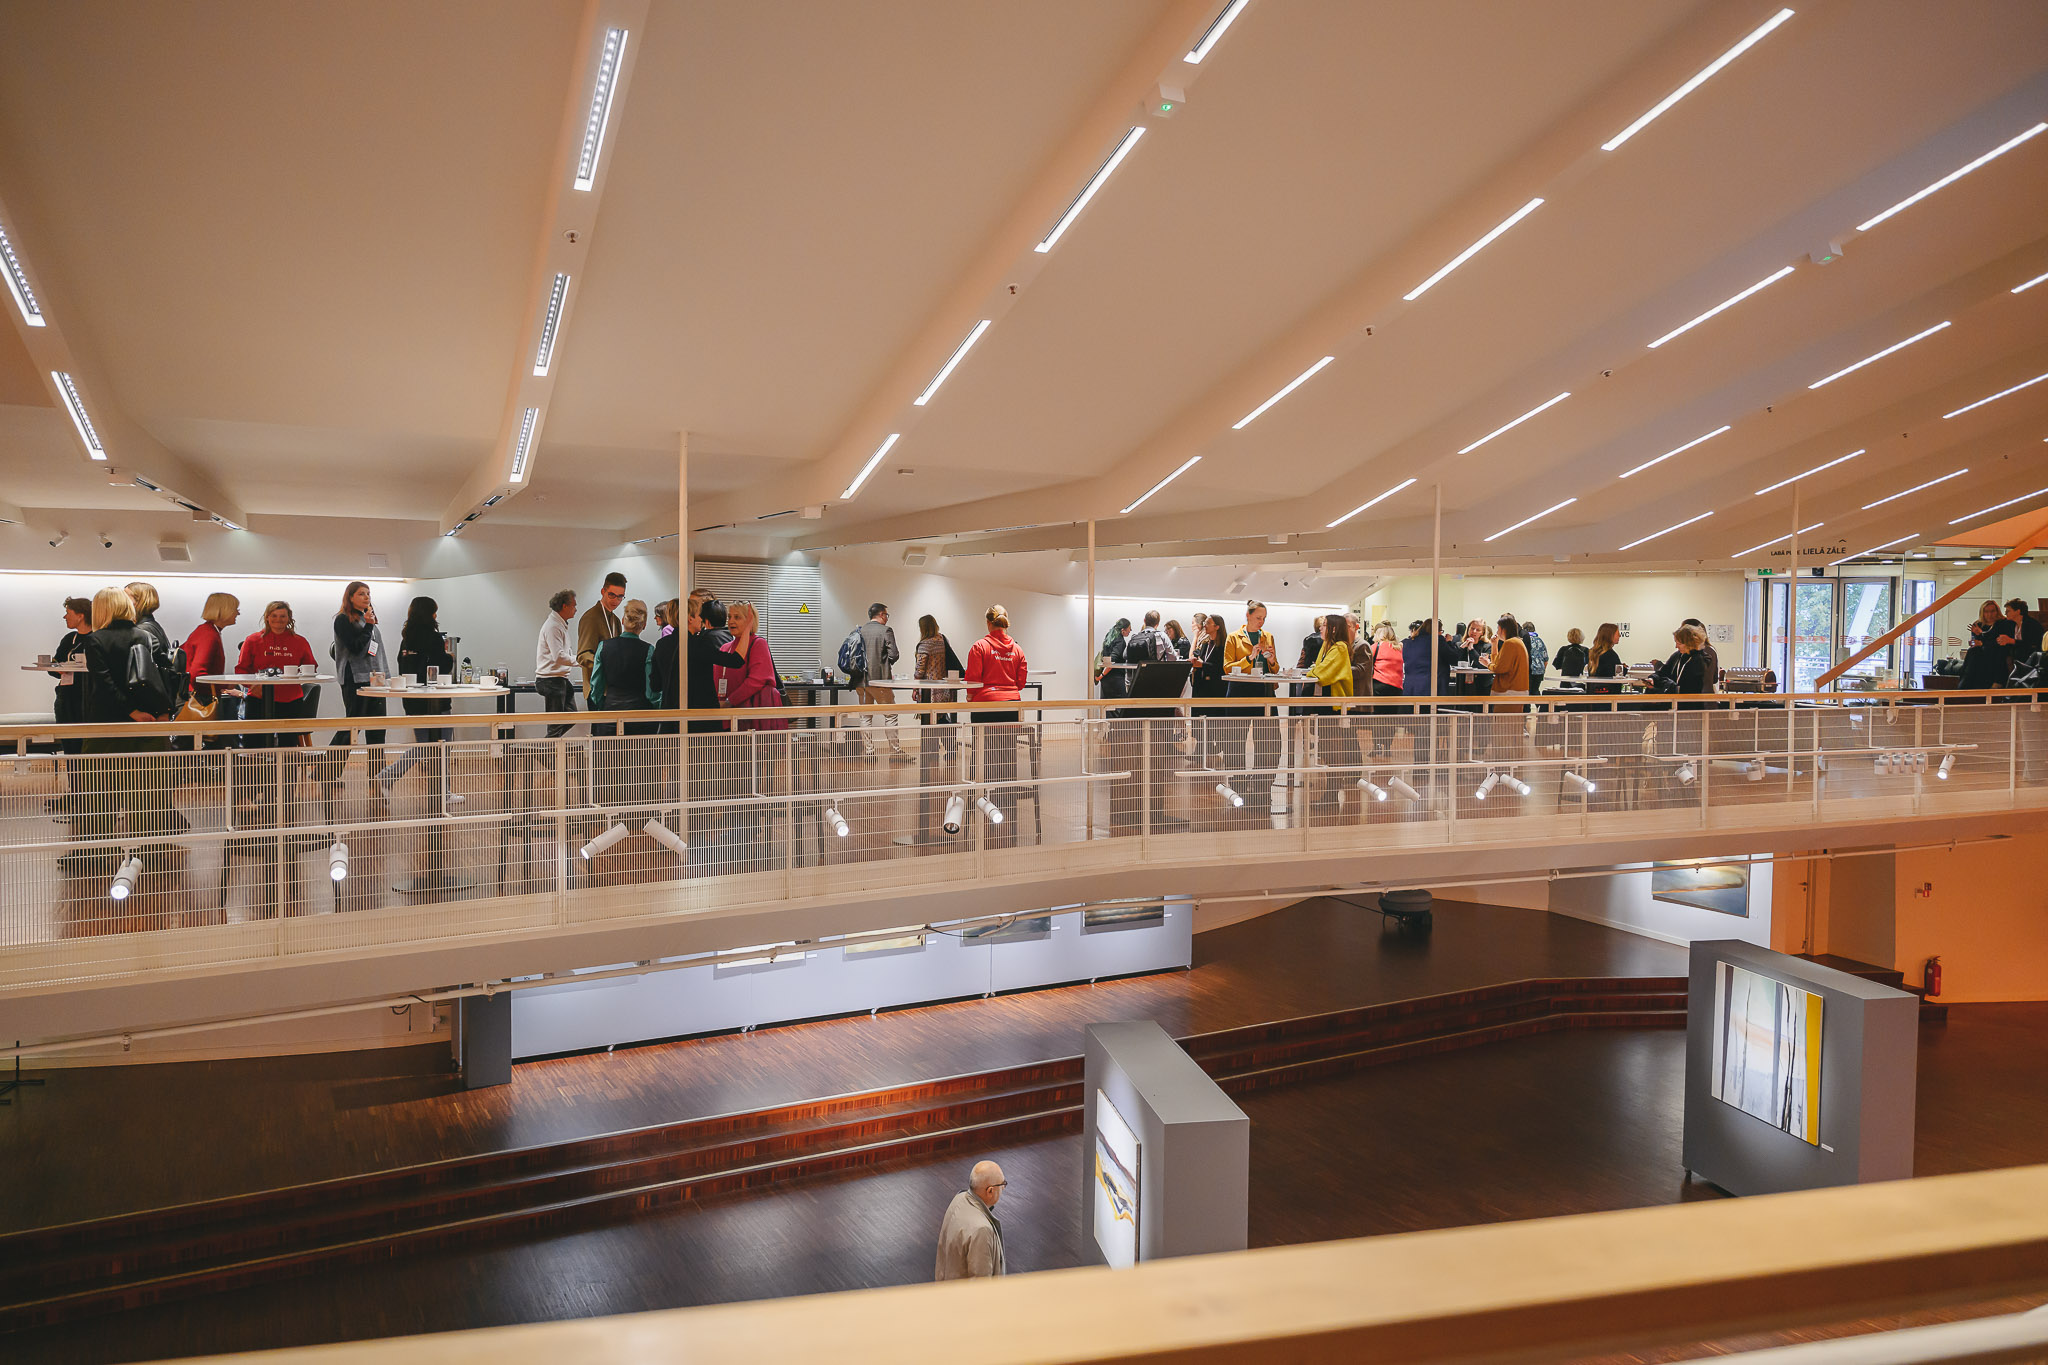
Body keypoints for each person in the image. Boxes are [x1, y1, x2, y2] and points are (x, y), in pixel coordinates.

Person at [78, 585, 178, 839]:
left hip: (106, 725)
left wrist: (130, 710)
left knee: (99, 794)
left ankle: (97, 849)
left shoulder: (95, 640)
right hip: (146, 722)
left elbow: (105, 683)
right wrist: (157, 711)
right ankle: (150, 849)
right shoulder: (143, 636)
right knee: (146, 794)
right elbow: (156, 676)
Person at [376, 597, 457, 804]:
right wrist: (449, 658)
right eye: (434, 611)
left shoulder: (406, 639)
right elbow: (441, 666)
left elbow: (403, 666)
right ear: (429, 613)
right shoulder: (434, 638)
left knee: (425, 745)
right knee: (442, 745)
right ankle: (442, 792)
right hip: (436, 701)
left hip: (412, 700)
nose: (436, 615)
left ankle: (441, 791)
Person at [965, 605, 1028, 843]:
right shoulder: (1017, 649)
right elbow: (1021, 682)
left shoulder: (979, 647)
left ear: (988, 623)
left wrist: (971, 698)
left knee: (983, 754)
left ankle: (982, 797)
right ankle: (1006, 797)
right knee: (1006, 754)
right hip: (1011, 707)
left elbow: (973, 680)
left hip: (985, 707)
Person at [590, 599, 659, 808]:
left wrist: (602, 705)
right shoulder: (648, 650)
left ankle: (608, 809)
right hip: (640, 716)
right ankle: (639, 810)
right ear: (643, 625)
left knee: (608, 767)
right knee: (641, 767)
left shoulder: (604, 647)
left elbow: (596, 685)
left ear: (622, 620)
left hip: (610, 712)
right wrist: (657, 708)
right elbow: (651, 691)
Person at [1222, 601, 1282, 805]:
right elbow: (1227, 667)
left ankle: (1262, 790)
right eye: (1258, 618)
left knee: (1269, 742)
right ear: (1247, 616)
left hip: (1264, 692)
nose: (1261, 622)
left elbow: (1275, 669)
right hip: (1239, 693)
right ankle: (1237, 788)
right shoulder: (1233, 637)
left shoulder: (1268, 636)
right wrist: (1249, 658)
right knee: (1234, 742)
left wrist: (1271, 660)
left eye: (1264, 618)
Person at [234, 600, 317, 747]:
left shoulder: (299, 641)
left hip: (290, 700)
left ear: (289, 618)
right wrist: (252, 685)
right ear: (267, 617)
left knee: (288, 747)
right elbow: (241, 669)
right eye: (274, 616)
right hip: (259, 698)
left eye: (282, 616)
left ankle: (286, 764)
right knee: (254, 745)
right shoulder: (252, 640)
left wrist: (298, 674)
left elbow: (311, 666)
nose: (278, 620)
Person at [329, 581, 389, 774]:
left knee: (377, 728)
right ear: (350, 597)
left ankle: (378, 775)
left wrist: (385, 676)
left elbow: (376, 651)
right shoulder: (343, 619)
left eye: (368, 593)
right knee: (352, 727)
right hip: (356, 679)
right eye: (361, 593)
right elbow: (355, 647)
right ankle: (326, 772)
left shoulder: (368, 618)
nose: (366, 597)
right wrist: (369, 627)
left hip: (376, 679)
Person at [1305, 613, 1356, 810]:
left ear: (1334, 628)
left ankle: (1333, 793)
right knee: (1327, 749)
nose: (1321, 628)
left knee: (1333, 750)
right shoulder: (1328, 646)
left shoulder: (1340, 647)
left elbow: (1322, 673)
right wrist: (1313, 671)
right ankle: (1330, 793)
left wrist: (1312, 672)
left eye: (1325, 625)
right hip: (1324, 703)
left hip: (1333, 705)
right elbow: (1318, 668)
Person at [855, 602, 911, 761]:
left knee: (865, 717)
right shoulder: (886, 630)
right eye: (886, 614)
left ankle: (869, 752)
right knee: (890, 714)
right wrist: (885, 663)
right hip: (880, 681)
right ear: (881, 614)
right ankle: (895, 752)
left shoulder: (859, 631)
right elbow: (894, 654)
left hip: (861, 681)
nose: (887, 618)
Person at [934, 1160, 1007, 1280]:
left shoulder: (959, 1199)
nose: (1003, 1188)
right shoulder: (982, 1230)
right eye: (1002, 1184)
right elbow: (981, 1283)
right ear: (990, 1191)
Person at [579, 572, 626, 737]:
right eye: (612, 595)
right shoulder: (591, 617)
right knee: (601, 735)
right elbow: (583, 655)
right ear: (603, 591)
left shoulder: (615, 619)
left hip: (612, 688)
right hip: (597, 688)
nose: (616, 600)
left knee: (610, 736)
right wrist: (606, 665)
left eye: (620, 597)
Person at [51, 596, 92, 757]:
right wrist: (59, 669)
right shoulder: (69, 639)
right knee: (69, 747)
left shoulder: (98, 639)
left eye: (68, 613)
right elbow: (54, 665)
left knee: (87, 747)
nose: (65, 617)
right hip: (66, 699)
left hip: (88, 700)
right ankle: (73, 775)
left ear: (80, 615)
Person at [914, 613, 961, 756]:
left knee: (933, 719)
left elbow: (920, 669)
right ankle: (947, 748)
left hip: (929, 690)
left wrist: (915, 688)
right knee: (940, 716)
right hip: (944, 686)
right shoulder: (942, 639)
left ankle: (937, 750)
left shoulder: (925, 644)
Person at [536, 588, 579, 738]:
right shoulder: (553, 626)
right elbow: (559, 656)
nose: (576, 609)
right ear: (564, 606)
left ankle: (546, 747)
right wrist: (580, 660)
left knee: (571, 717)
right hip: (551, 680)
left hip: (558, 679)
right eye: (574, 605)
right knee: (556, 725)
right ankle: (547, 748)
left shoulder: (559, 624)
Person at [1961, 599, 2016, 690]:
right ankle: (1966, 683)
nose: (1989, 614)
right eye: (1986, 612)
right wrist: (1978, 637)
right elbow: (1975, 643)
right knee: (1972, 651)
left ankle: (1996, 681)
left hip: (1997, 651)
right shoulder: (1978, 624)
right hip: (1982, 651)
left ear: (1997, 611)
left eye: (1992, 611)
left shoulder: (2004, 623)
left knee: (1996, 650)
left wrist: (1982, 640)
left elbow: (1999, 642)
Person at [1489, 614, 1530, 696]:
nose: (1497, 632)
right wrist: (1494, 645)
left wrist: (1487, 664)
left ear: (1503, 629)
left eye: (1498, 629)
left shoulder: (1510, 643)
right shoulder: (1517, 642)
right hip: (1518, 689)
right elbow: (1498, 663)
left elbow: (1499, 668)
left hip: (1509, 690)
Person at [1585, 622, 1626, 696]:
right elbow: (1618, 673)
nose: (1620, 636)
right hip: (1609, 695)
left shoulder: (1592, 653)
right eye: (1617, 633)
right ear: (1610, 635)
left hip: (1594, 692)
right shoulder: (1610, 654)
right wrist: (1624, 668)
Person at [2005, 599, 2044, 676]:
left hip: (2031, 657)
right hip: (2017, 656)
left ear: (2018, 611)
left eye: (2008, 611)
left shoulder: (2032, 624)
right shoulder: (2012, 624)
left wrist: (2012, 641)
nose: (2005, 613)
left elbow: (2032, 645)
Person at [1096, 618, 1131, 701]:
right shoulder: (1120, 641)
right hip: (1115, 680)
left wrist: (1102, 676)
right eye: (1129, 628)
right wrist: (1101, 676)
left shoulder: (1109, 637)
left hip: (1106, 680)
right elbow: (1111, 662)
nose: (1130, 631)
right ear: (1123, 630)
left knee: (1107, 705)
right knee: (1121, 705)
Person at [1680, 618, 1718, 690]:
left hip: (1693, 695)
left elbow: (1681, 678)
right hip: (1708, 694)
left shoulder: (1689, 652)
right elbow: (1715, 679)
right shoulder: (1711, 650)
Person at [1523, 619, 1549, 694]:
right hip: (1539, 671)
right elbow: (1545, 658)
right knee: (1535, 691)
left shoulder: (1524, 640)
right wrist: (1542, 670)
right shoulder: (1540, 640)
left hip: (1528, 671)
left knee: (1527, 692)